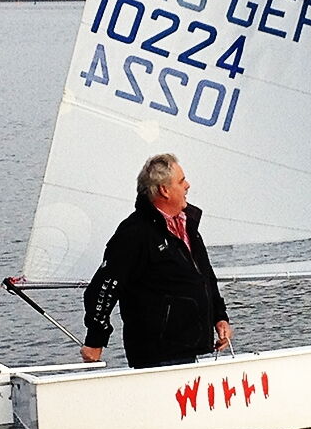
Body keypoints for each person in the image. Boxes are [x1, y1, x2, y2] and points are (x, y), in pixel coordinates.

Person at [80, 153, 233, 368]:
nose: (187, 185)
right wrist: (95, 340)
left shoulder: (187, 225)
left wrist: (219, 316)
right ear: (164, 190)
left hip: (189, 351)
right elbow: (103, 288)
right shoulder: (134, 233)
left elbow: (205, 275)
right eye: (181, 181)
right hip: (156, 356)